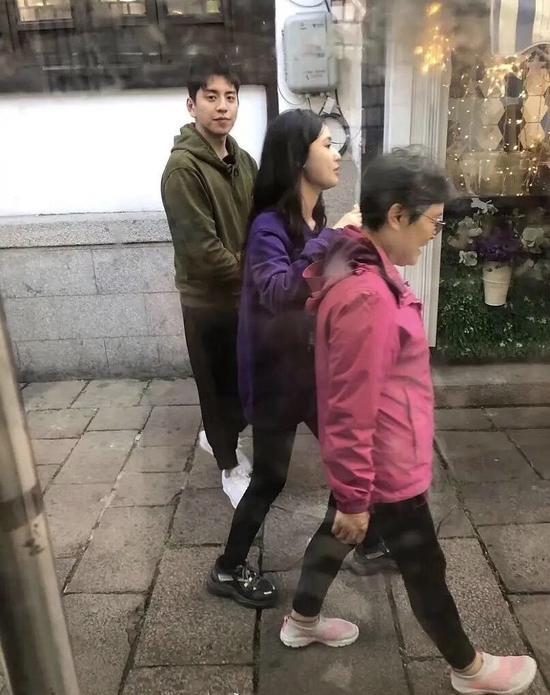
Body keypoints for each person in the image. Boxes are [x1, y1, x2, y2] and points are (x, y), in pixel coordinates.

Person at [279, 148, 538, 695]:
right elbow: (350, 408)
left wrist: (351, 497)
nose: (433, 236)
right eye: (432, 223)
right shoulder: (367, 295)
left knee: (336, 535)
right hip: (386, 465)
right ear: (397, 215)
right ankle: (470, 669)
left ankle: (301, 621)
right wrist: (356, 495)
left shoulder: (362, 265)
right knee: (424, 567)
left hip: (374, 460)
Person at [207, 109, 389, 610]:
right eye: (326, 144)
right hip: (275, 378)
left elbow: (322, 282)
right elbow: (278, 290)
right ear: (298, 157)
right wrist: (334, 239)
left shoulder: (314, 218)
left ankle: (368, 540)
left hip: (309, 369)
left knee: (354, 453)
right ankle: (228, 568)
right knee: (271, 477)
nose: (336, 154)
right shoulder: (269, 226)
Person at [161, 56, 256, 507]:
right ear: (191, 105)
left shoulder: (243, 160)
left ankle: (217, 437)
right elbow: (203, 251)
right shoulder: (183, 170)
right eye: (211, 97)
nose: (222, 107)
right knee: (216, 386)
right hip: (208, 302)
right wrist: (260, 271)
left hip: (243, 296)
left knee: (240, 381)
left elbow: (261, 218)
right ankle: (229, 466)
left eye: (230, 97)